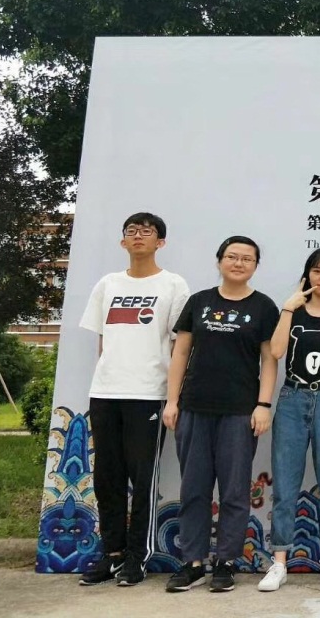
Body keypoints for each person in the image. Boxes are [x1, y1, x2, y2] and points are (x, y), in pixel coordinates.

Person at [77, 212, 190, 587]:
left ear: (161, 242)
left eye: (147, 231)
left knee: (143, 480)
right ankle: (111, 554)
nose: (138, 236)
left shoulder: (173, 285)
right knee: (107, 478)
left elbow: (179, 346)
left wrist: (172, 397)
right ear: (122, 241)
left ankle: (136, 557)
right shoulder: (107, 284)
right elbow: (103, 340)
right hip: (105, 393)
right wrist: (108, 378)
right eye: (132, 231)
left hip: (148, 394)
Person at [162, 236, 280, 593]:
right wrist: (172, 401)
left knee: (234, 492)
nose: (238, 263)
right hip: (194, 408)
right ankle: (193, 562)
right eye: (232, 256)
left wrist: (263, 405)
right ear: (219, 261)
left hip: (239, 412)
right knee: (194, 489)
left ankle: (226, 562)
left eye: (247, 258)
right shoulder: (199, 302)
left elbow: (269, 360)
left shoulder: (263, 307)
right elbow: (180, 353)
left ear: (255, 266)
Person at [257, 248, 320, 593]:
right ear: (307, 275)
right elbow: (276, 351)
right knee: (285, 483)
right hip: (292, 398)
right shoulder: (293, 310)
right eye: (317, 271)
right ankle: (279, 561)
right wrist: (288, 308)